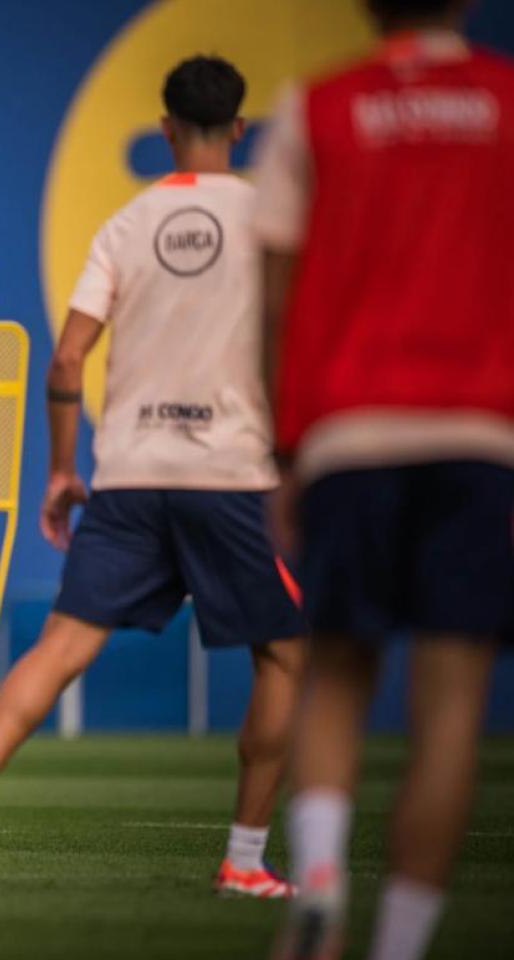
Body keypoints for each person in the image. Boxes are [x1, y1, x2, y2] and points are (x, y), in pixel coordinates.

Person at [0, 56, 305, 896]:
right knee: (285, 656)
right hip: (231, 474)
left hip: (129, 476)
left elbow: (67, 358)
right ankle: (243, 861)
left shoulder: (125, 225)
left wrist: (63, 469)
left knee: (61, 646)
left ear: (165, 128)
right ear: (241, 130)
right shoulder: (270, 219)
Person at [255, 2, 514, 956]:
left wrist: (285, 450)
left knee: (335, 674)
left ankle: (320, 892)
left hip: (349, 435)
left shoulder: (317, 106)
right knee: (451, 711)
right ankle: (400, 946)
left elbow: (275, 297)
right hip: (481, 436)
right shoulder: (507, 100)